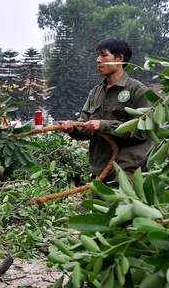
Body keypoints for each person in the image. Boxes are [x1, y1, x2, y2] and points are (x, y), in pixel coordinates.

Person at [59, 38, 153, 183]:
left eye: (104, 55)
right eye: (97, 55)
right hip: (101, 169)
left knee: (117, 204)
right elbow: (86, 128)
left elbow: (144, 129)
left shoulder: (137, 91)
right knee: (87, 206)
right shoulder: (95, 93)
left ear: (119, 58)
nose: (98, 60)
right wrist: (72, 128)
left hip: (127, 169)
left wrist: (103, 125)